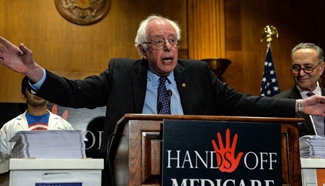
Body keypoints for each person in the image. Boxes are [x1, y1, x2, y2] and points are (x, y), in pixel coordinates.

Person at [1, 14, 325, 185]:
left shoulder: (198, 73)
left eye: (173, 40)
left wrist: (298, 105)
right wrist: (33, 71)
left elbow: (243, 103)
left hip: (196, 171)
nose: (169, 47)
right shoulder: (122, 72)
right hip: (131, 174)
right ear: (142, 50)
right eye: (159, 42)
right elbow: (75, 92)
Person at [0, 76, 73, 163]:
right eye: (32, 89)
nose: (38, 93)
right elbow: (3, 165)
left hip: (55, 175)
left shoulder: (65, 126)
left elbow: (71, 161)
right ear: (24, 96)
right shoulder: (8, 128)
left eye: (42, 89)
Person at [274, 43, 325, 136]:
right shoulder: (280, 103)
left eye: (308, 67)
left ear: (321, 68)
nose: (301, 73)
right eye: (296, 68)